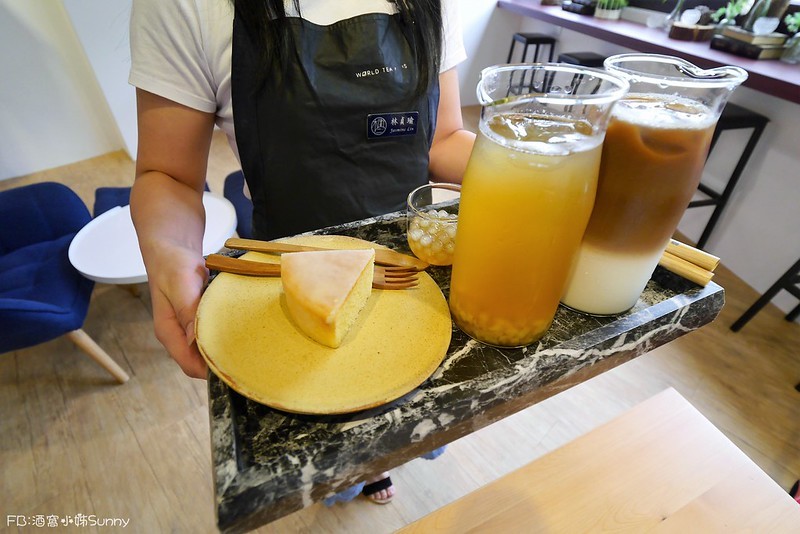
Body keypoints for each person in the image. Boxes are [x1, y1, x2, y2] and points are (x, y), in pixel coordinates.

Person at [128, 0, 475, 505]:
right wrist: (170, 251)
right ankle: (351, 481)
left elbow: (442, 139)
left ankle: (381, 467)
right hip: (288, 286)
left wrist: (526, 166)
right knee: (328, 450)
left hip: (407, 275)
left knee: (403, 419)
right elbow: (169, 177)